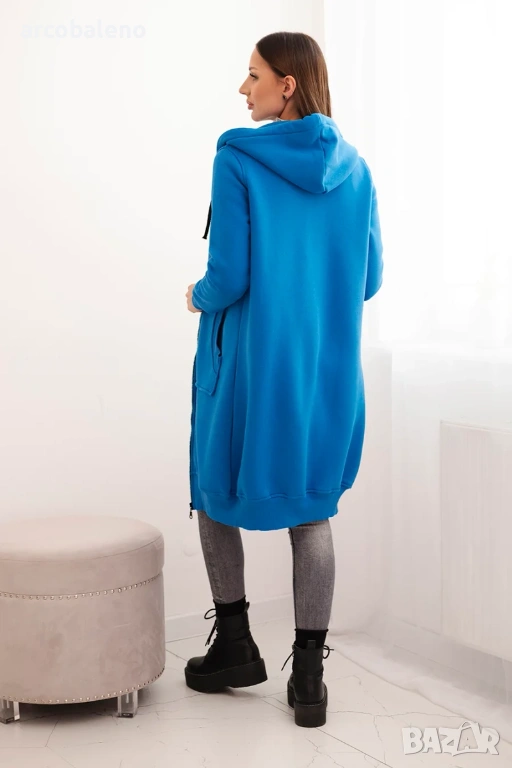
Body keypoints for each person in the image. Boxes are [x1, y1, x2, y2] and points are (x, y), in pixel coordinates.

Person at [183, 31, 383, 728]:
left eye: (253, 75)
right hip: (326, 369)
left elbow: (230, 275)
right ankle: (309, 678)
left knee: (212, 490)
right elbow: (369, 278)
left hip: (250, 365)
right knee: (310, 508)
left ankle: (235, 645)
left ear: (286, 84)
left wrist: (197, 296)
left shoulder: (237, 156)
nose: (244, 89)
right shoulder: (357, 169)